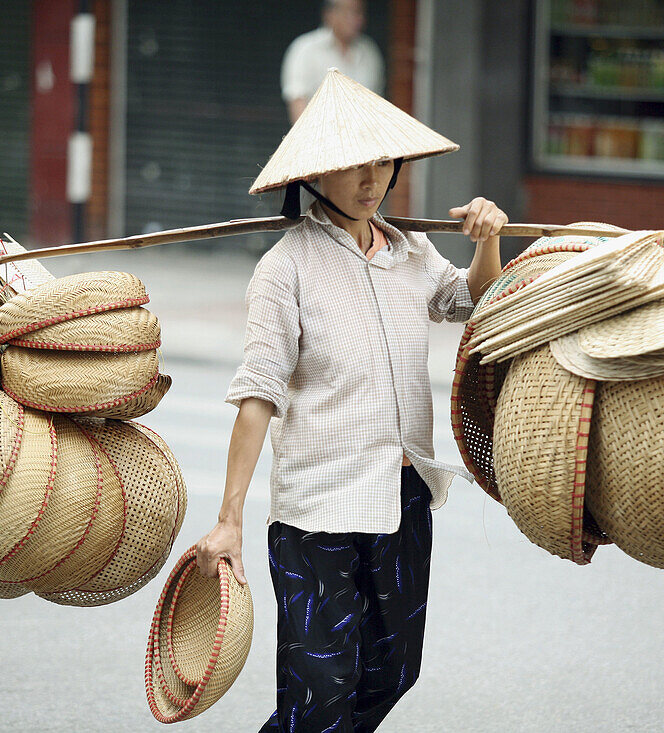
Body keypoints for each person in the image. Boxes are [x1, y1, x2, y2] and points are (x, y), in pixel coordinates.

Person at [194, 69, 506, 732]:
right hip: (316, 514)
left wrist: (487, 244)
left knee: (392, 670)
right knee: (321, 691)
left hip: (401, 498)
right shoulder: (287, 268)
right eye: (354, 166)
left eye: (383, 163)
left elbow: (473, 301)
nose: (372, 180)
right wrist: (229, 520)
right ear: (316, 173)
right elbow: (258, 394)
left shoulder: (410, 252)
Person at [280, 0, 384, 123]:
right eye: (349, 12)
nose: (357, 19)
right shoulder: (305, 50)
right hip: (318, 138)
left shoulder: (370, 52)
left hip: (362, 138)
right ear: (329, 13)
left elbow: (377, 106)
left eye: (359, 12)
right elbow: (298, 106)